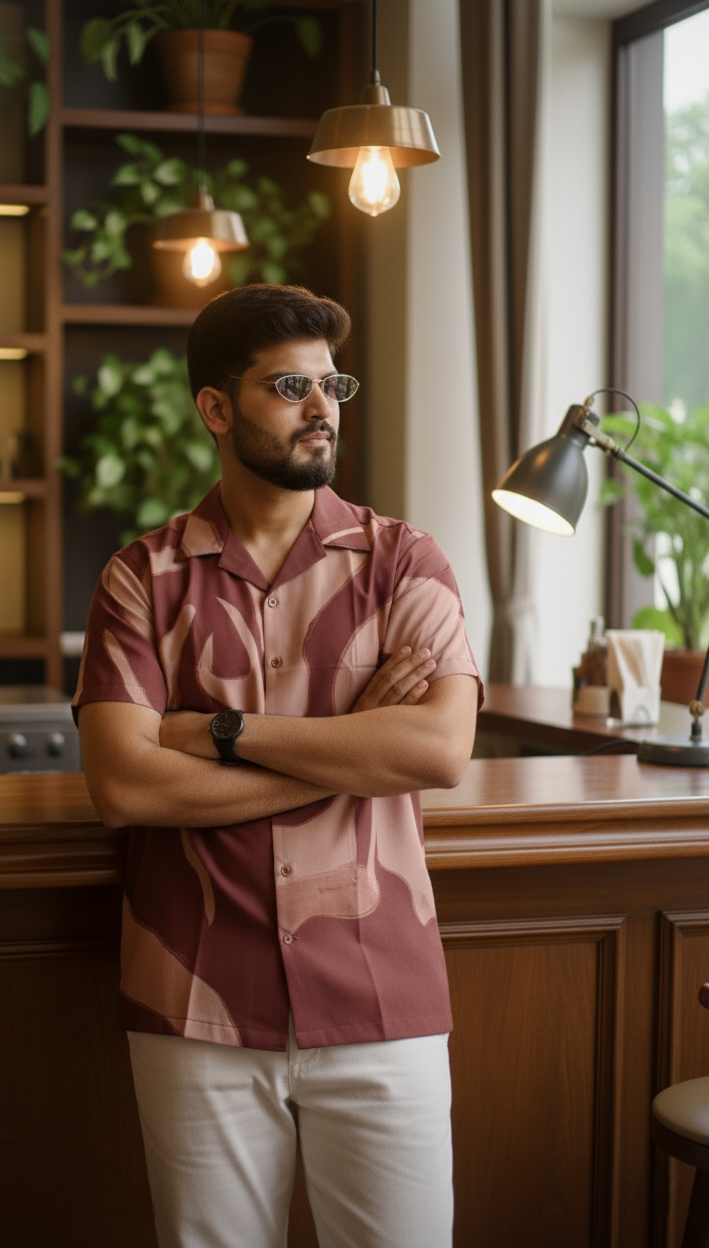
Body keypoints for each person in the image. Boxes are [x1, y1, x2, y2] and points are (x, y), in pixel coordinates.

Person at [73, 284, 483, 1248]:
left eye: (331, 383)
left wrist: (216, 731)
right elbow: (125, 785)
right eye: (288, 385)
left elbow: (436, 750)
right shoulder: (140, 578)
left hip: (384, 996)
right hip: (196, 1003)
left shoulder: (405, 563)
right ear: (216, 409)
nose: (321, 408)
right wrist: (352, 753)